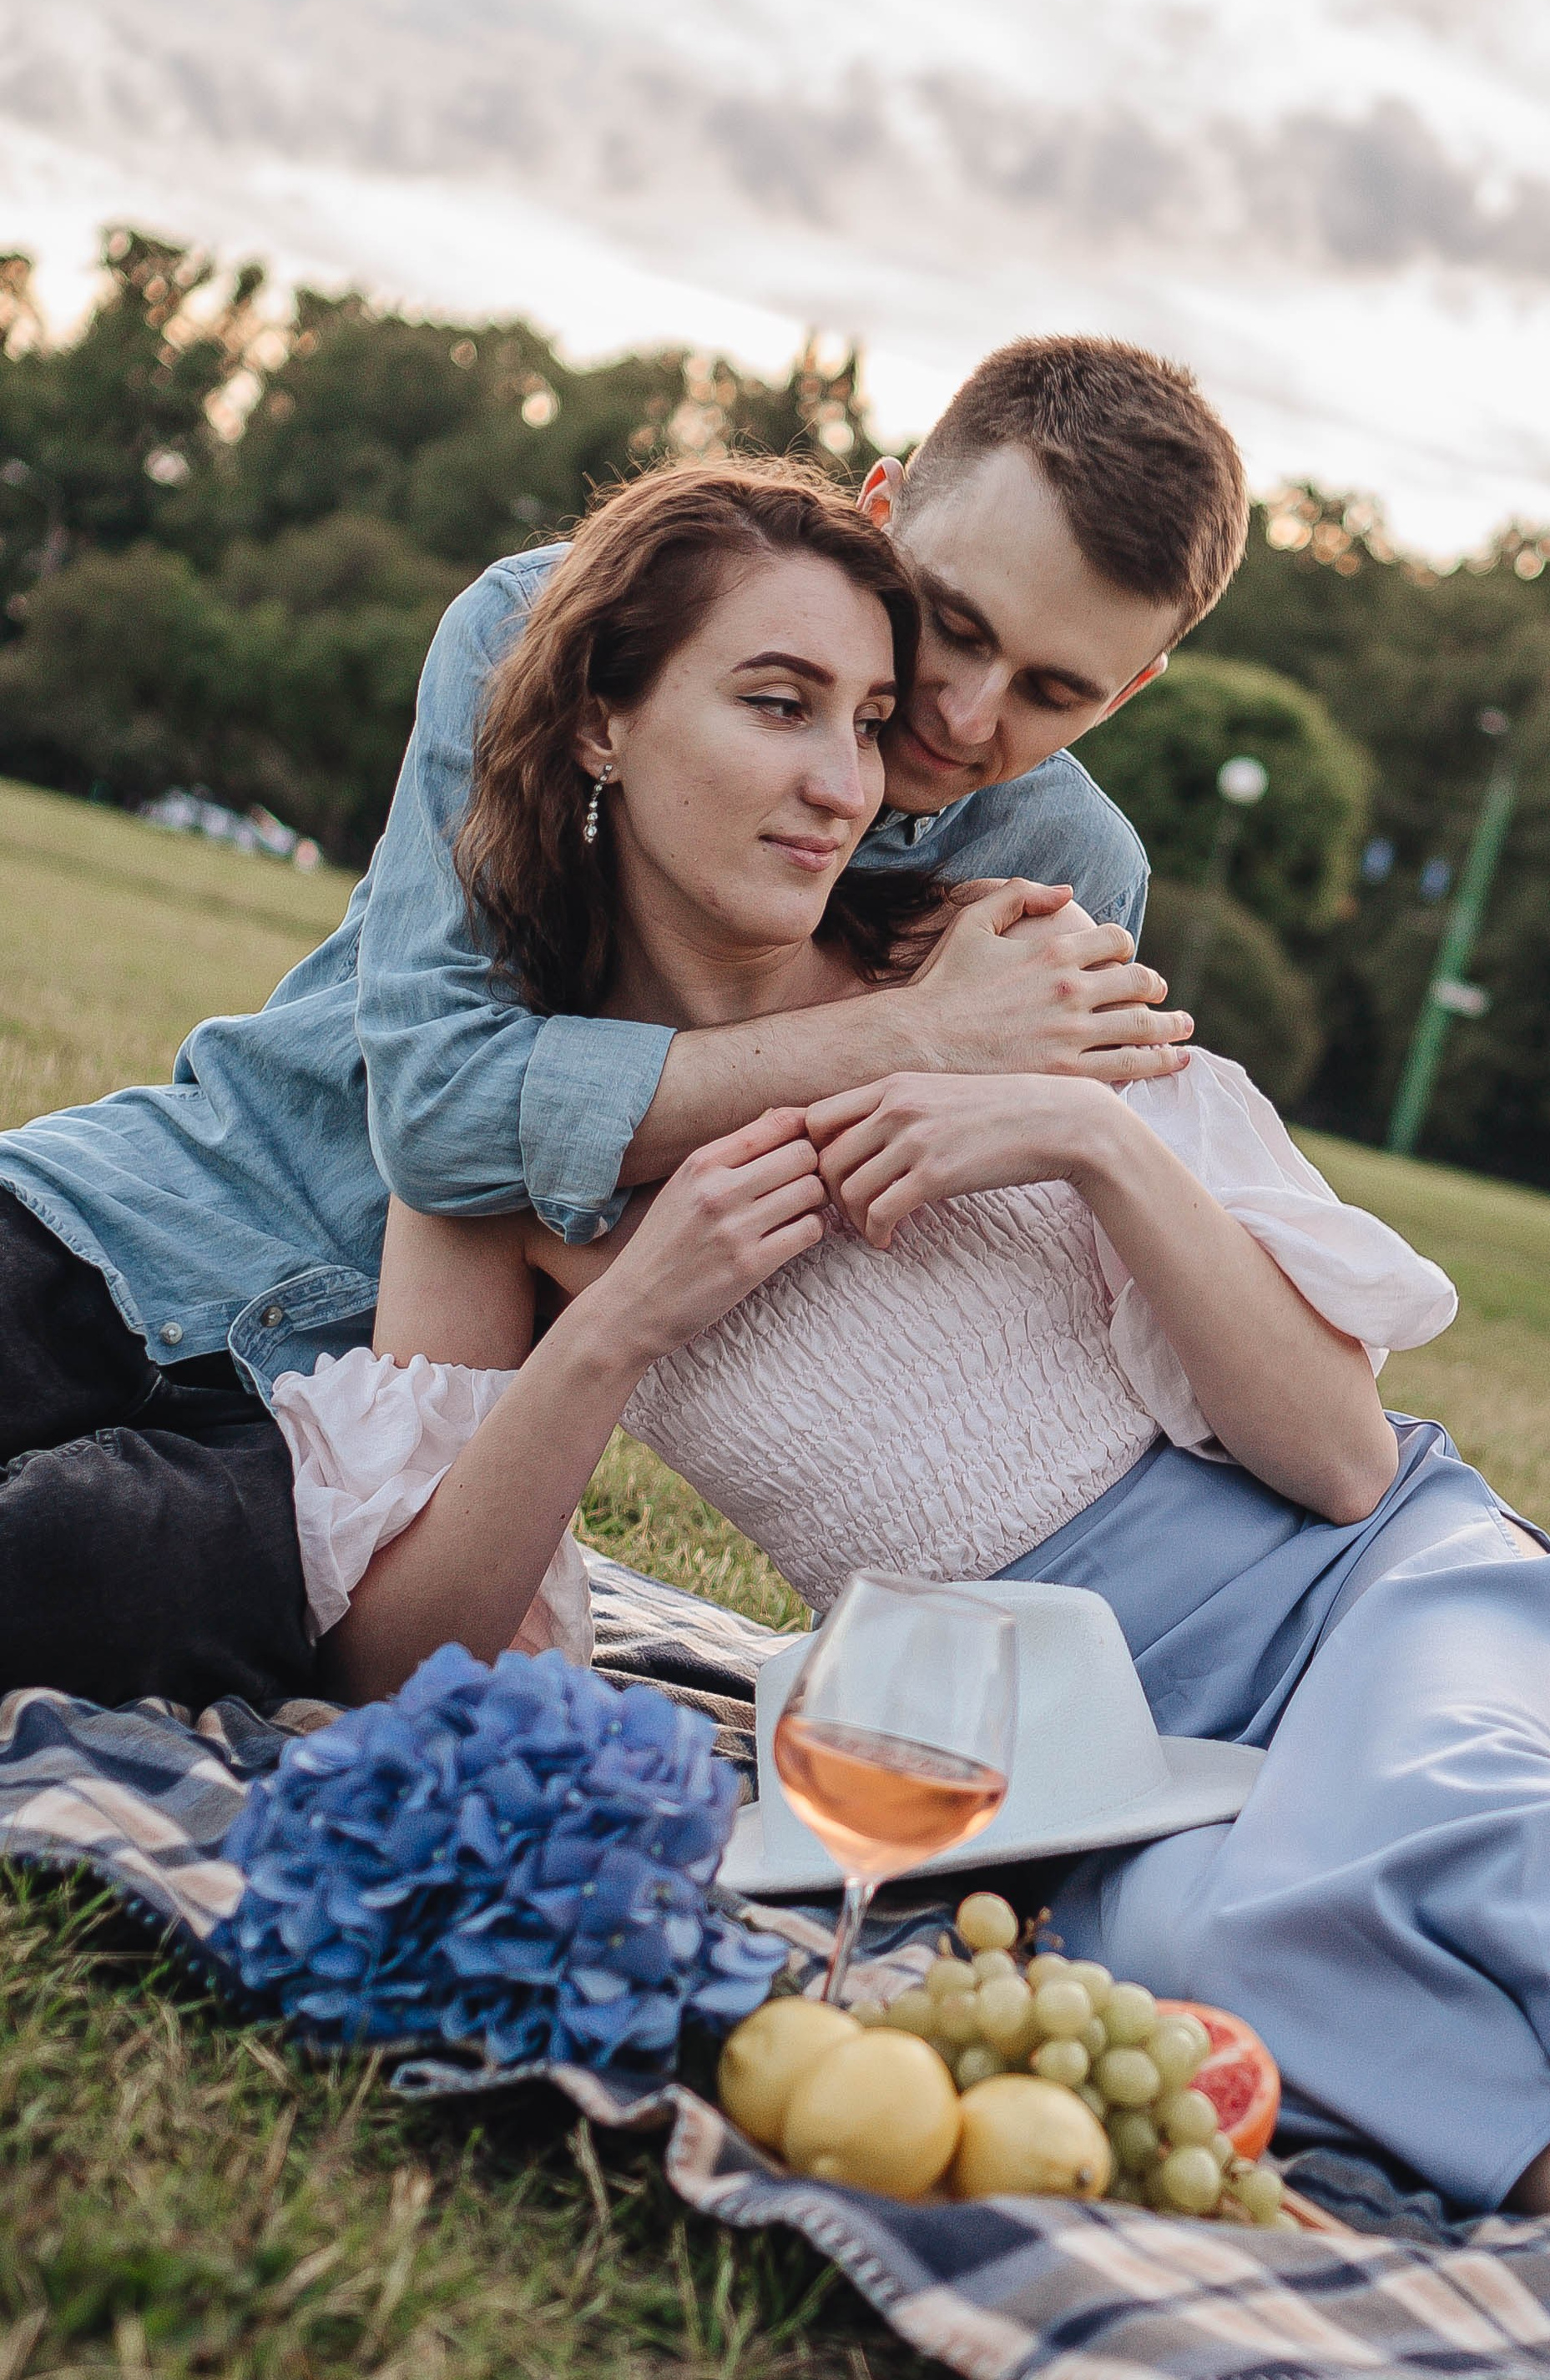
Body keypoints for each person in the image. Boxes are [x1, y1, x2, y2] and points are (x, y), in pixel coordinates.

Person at [279, 452, 1550, 2380]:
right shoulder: (508, 1164)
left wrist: (1083, 1144)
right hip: (1056, 1746)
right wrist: (621, 1332)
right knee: (1194, 1942)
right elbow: (394, 1664)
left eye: (870, 724)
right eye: (774, 705)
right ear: (604, 717)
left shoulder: (1010, 962)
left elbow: (1342, 1461)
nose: (843, 779)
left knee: (1440, 1815)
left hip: (1363, 1590)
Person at [0, 338, 1246, 1712]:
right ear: (881, 514)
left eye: (1054, 692)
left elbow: (923, 1319)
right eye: (951, 622)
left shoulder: (1066, 880)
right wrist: (912, 1037)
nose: (963, 713)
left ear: (1128, 693)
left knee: (62, 1572)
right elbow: (442, 1113)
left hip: (371, 1428)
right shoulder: (570, 628)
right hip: (155, 1217)